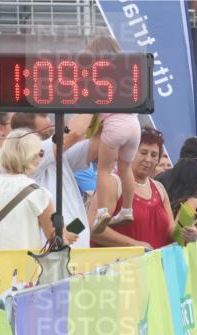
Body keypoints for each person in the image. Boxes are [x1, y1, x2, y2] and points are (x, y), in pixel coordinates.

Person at [85, 36, 144, 233]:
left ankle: (102, 211)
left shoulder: (97, 71)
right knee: (125, 167)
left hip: (114, 125)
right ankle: (127, 209)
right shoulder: (128, 72)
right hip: (134, 126)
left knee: (104, 169)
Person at [12, 112, 92, 247]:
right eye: (44, 116)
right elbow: (74, 133)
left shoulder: (55, 156)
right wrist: (93, 102)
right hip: (53, 257)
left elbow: (96, 146)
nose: (51, 123)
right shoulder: (31, 156)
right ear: (30, 134)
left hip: (73, 253)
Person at [88, 127, 176, 249]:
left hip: (154, 266)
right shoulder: (114, 184)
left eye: (154, 155)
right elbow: (93, 227)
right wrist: (134, 245)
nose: (148, 159)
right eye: (143, 153)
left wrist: (188, 232)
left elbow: (170, 231)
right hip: (120, 265)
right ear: (129, 153)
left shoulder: (159, 188)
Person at [0, 129, 69, 250]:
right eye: (41, 153)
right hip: (22, 264)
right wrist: (65, 238)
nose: (41, 157)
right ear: (32, 156)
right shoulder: (37, 193)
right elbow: (54, 239)